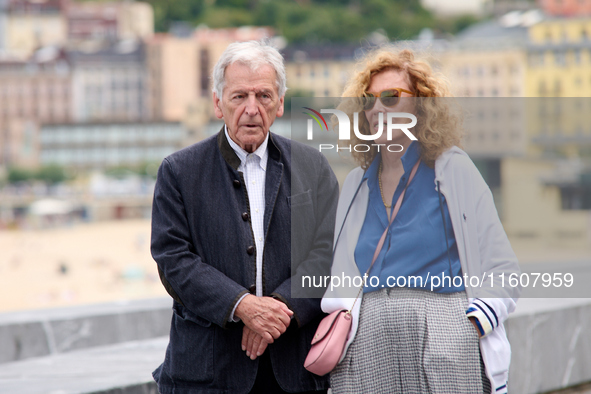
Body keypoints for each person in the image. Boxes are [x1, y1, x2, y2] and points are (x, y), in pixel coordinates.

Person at [321, 48, 521, 394]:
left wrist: (465, 328)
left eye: (391, 97)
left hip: (443, 337)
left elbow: (503, 268)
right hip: (368, 345)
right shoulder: (356, 184)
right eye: (369, 100)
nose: (378, 108)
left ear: (421, 106)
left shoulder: (452, 169)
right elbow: (340, 278)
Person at [151, 40, 338, 394]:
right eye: (239, 97)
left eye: (264, 96)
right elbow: (173, 261)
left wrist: (279, 309)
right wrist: (243, 306)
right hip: (207, 374)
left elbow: (328, 253)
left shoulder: (313, 166)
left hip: (295, 371)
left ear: (280, 103)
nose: (252, 109)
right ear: (218, 104)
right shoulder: (179, 171)